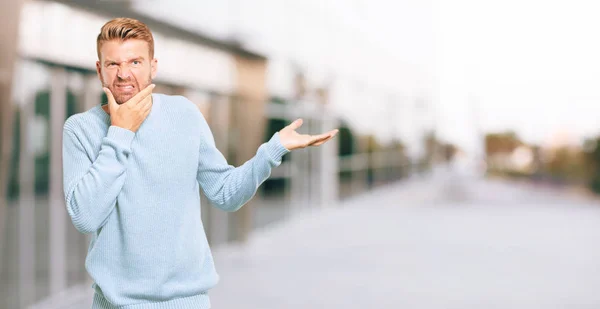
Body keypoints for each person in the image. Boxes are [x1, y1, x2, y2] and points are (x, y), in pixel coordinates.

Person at [62, 17, 338, 309]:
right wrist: (120, 132)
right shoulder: (80, 129)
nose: (123, 74)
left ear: (153, 66)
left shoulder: (184, 114)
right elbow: (85, 217)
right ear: (99, 70)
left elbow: (225, 192)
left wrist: (272, 150)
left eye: (135, 62)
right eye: (113, 64)